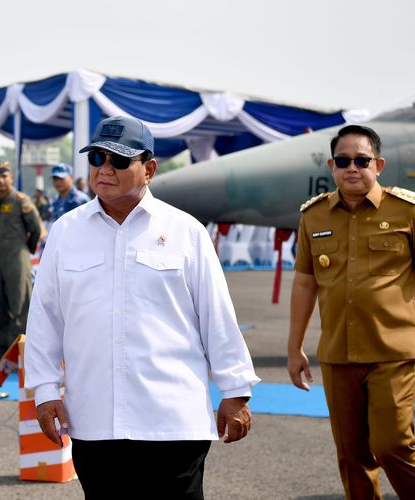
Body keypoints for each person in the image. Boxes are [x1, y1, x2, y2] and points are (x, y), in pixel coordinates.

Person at [24, 116, 259, 499]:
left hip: (173, 421)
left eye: (119, 160)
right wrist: (45, 390)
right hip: (95, 421)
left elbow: (217, 316)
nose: (104, 168)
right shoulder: (67, 231)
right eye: (97, 157)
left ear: (149, 169)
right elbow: (45, 319)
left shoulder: (185, 232)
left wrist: (235, 392)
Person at [287, 124, 415, 499]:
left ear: (378, 164)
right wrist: (294, 347)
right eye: (343, 161)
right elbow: (305, 283)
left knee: (393, 445)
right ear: (332, 166)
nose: (352, 168)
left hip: (393, 352)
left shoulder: (406, 211)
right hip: (338, 354)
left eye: (361, 160)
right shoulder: (314, 217)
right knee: (351, 455)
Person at [0, 161, 42, 368]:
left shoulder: (21, 201)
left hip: (18, 255)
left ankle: (22, 356)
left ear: (10, 178)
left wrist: (26, 250)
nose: (0, 180)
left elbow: (35, 228)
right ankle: (4, 355)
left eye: (4, 176)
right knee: (1, 306)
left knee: (20, 305)